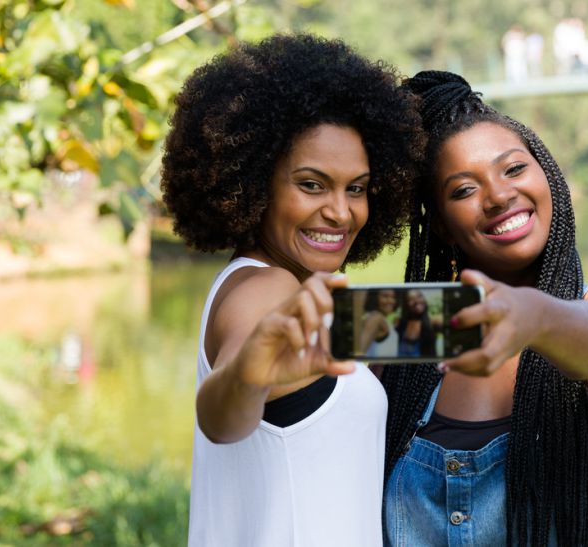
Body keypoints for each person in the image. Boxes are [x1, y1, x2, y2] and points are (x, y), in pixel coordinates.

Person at [382, 71, 588, 546]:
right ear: (443, 228)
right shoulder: (411, 324)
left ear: (548, 177)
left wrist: (533, 315)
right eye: (463, 190)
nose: (497, 196)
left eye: (513, 169)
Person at [160, 34, 423, 546]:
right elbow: (223, 413)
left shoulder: (310, 301)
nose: (341, 212)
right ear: (253, 184)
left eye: (358, 188)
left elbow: (458, 327)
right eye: (311, 184)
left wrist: (526, 314)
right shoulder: (263, 290)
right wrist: (247, 375)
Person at [396, 289, 438, 357]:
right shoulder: (400, 323)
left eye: (419, 296)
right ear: (406, 304)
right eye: (410, 299)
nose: (416, 301)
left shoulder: (433, 323)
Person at [360, 289, 401, 357]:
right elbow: (359, 352)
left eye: (393, 297)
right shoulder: (376, 318)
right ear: (375, 298)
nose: (390, 301)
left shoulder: (382, 318)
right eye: (385, 296)